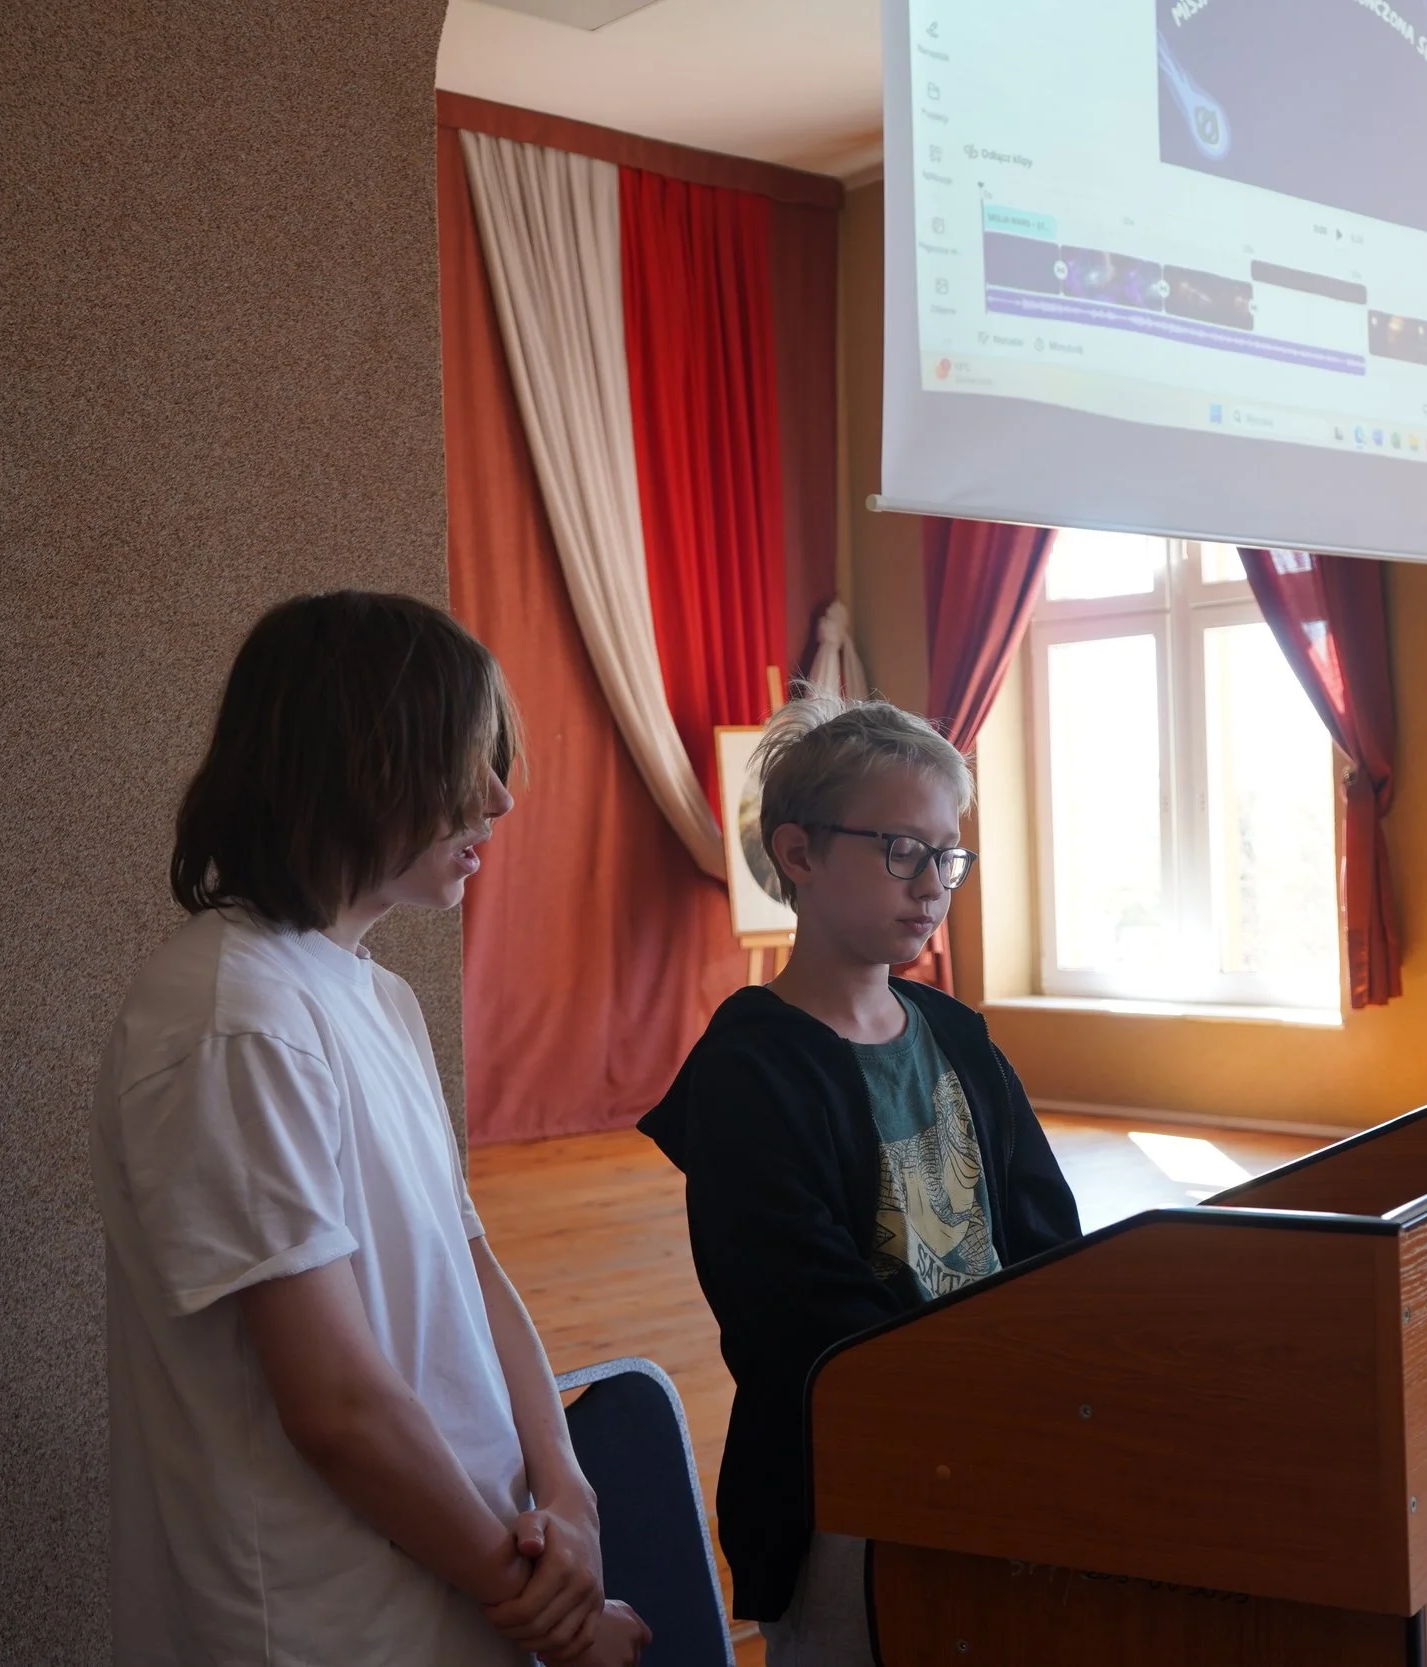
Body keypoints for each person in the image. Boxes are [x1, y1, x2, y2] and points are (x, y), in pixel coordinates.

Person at [90, 592, 649, 1666]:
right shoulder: (235, 1016)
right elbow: (337, 1406)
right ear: (357, 763)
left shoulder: (374, 995)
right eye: (464, 763)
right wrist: (552, 1614)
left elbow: (469, 1263)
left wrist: (566, 1491)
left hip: (464, 1587)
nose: (498, 798)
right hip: (327, 1623)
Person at [643, 694, 1082, 1666]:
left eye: (947, 855)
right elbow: (802, 1318)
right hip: (846, 1493)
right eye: (901, 850)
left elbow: (1048, 1238)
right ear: (798, 853)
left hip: (999, 1450)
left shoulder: (957, 1033)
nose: (931, 884)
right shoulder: (749, 1070)